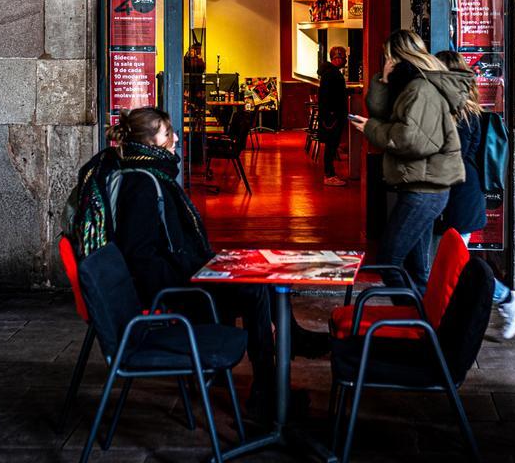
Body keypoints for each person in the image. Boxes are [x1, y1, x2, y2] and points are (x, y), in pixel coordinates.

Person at [69, 107, 328, 419]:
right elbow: (142, 260)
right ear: (150, 143)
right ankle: (266, 394)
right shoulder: (142, 185)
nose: (176, 137)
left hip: (181, 279)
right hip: (171, 291)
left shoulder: (149, 174)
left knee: (259, 272)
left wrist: (208, 265)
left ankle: (291, 341)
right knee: (255, 289)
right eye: (168, 133)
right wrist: (201, 273)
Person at [350, 30, 471, 292]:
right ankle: (425, 324)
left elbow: (411, 140)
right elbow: (382, 113)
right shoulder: (410, 85)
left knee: (389, 261)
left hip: (425, 190)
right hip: (420, 186)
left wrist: (371, 129)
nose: (386, 61)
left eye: (388, 56)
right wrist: (383, 79)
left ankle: (416, 318)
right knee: (418, 270)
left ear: (399, 56)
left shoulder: (421, 89)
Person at [435, 50, 515, 340]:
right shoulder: (466, 108)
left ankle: (507, 298)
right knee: (449, 262)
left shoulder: (458, 112)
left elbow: (456, 153)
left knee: (458, 264)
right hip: (461, 192)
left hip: (460, 194)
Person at [317, 45, 348, 186]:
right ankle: (329, 175)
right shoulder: (332, 73)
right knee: (331, 145)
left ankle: (330, 173)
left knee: (332, 145)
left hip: (331, 115)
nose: (346, 60)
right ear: (337, 57)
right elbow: (328, 95)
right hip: (332, 116)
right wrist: (332, 113)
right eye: (344, 57)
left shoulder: (329, 72)